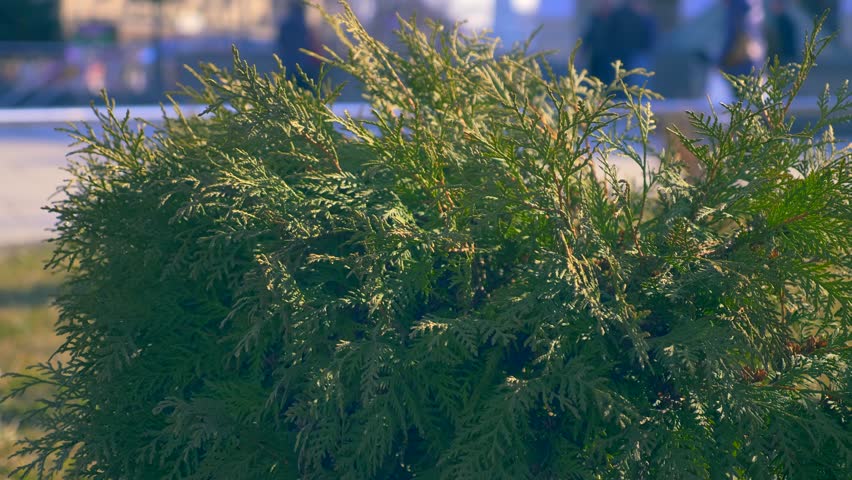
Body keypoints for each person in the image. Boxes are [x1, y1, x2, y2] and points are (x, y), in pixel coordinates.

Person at [277, 1, 320, 86]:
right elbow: (313, 44)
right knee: (308, 91)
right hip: (306, 66)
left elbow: (281, 43)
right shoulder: (305, 26)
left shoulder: (285, 25)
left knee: (292, 91)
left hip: (288, 66)